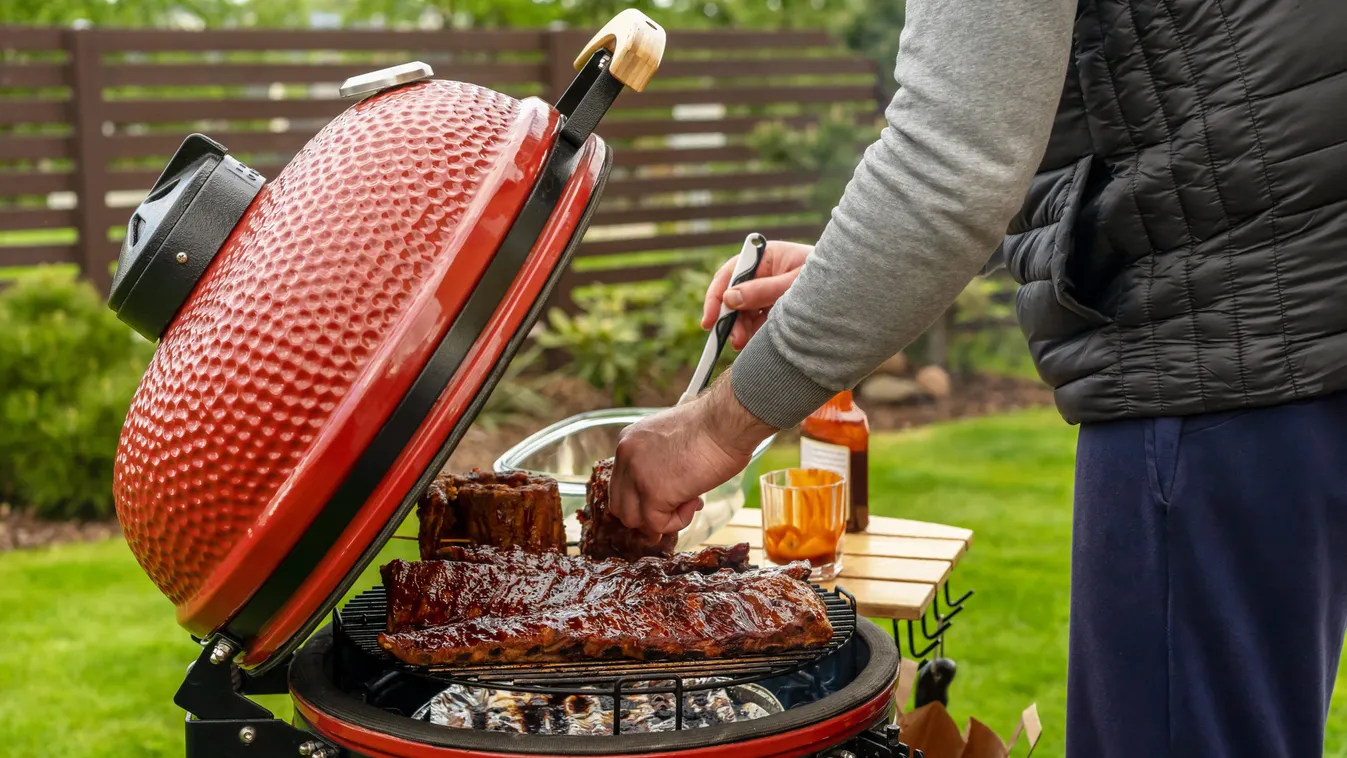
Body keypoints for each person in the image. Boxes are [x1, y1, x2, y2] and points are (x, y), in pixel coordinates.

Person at [605, 0, 1347, 755]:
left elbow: (949, 162)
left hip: (1212, 371)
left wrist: (708, 428)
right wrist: (842, 276)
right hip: (1299, 349)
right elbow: (1202, 116)